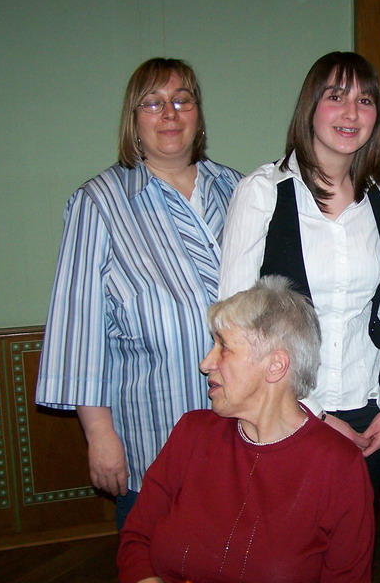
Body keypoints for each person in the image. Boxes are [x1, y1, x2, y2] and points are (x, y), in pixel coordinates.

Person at [35, 58, 242, 528]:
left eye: (181, 100)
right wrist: (100, 435)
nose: (169, 113)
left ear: (198, 115)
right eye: (152, 103)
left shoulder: (239, 188)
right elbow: (79, 327)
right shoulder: (99, 204)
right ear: (134, 120)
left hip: (244, 432)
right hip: (154, 436)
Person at [219, 51, 380, 495]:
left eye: (365, 100)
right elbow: (234, 323)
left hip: (369, 411)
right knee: (285, 557)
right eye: (336, 96)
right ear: (311, 108)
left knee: (353, 552)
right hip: (285, 411)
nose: (351, 112)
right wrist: (315, 414)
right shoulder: (264, 193)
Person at [118, 276, 374, 583]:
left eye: (223, 347)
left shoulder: (337, 465)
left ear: (275, 366)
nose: (205, 363)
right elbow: (137, 539)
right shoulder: (192, 433)